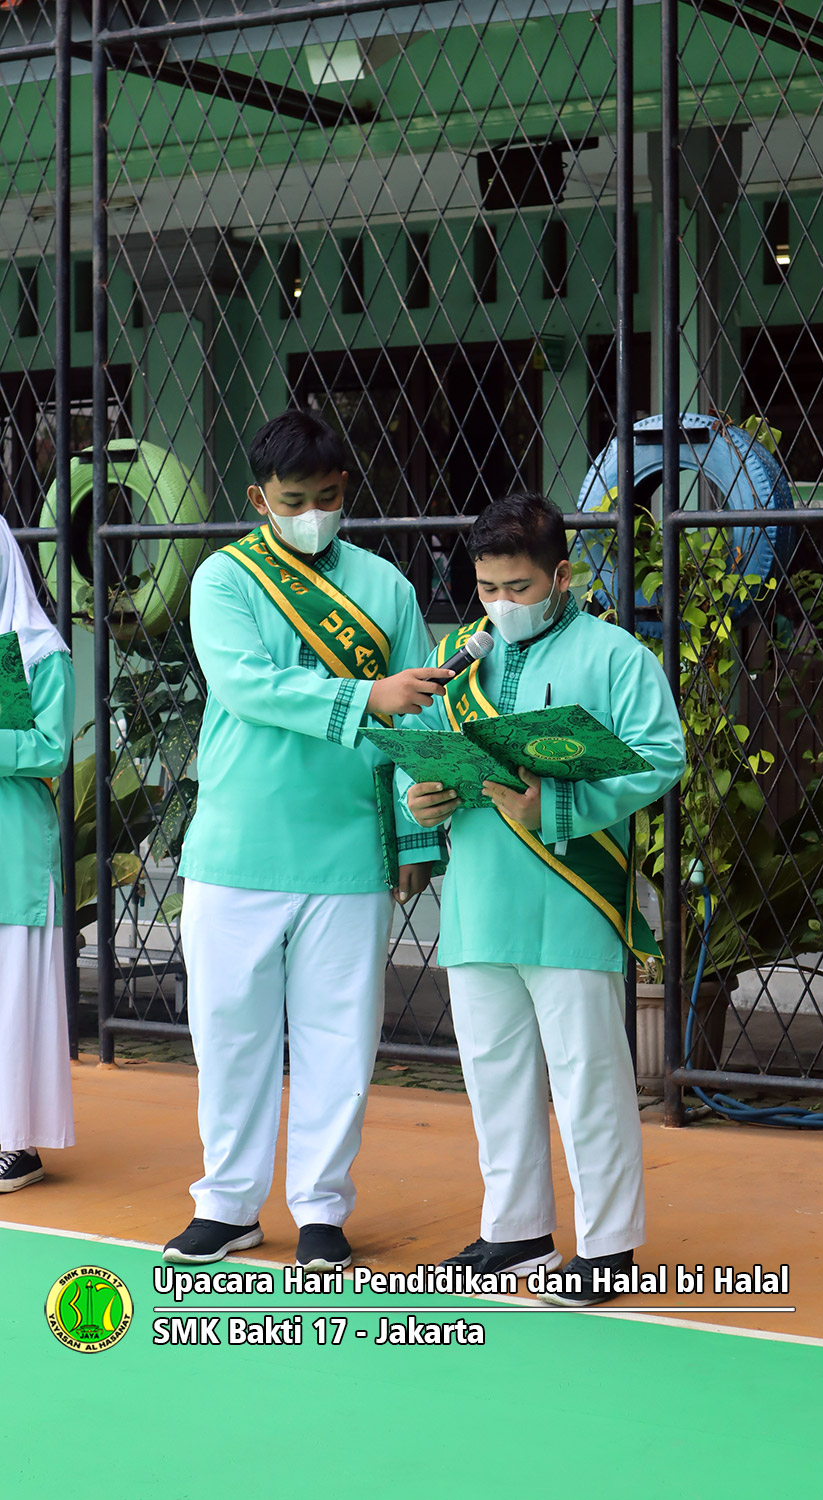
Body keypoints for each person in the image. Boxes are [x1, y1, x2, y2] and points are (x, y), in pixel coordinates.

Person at [164, 409, 451, 1268]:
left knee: (338, 1035)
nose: (314, 513)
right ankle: (227, 1205)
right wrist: (364, 697)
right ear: (259, 498)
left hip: (345, 846)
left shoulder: (386, 587)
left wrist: (411, 839)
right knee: (228, 1031)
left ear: (345, 490)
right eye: (295, 499)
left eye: (327, 497)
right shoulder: (223, 580)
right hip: (238, 842)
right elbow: (249, 686)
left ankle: (321, 1208)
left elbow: (419, 721)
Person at [398, 491, 685, 1307]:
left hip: (571, 895)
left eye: (518, 588)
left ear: (561, 574)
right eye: (486, 588)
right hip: (480, 895)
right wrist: (420, 803)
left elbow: (660, 757)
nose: (500, 605)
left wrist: (556, 805)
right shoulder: (456, 655)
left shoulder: (615, 655)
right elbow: (418, 757)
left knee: (588, 1075)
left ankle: (606, 1246)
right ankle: (515, 1230)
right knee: (493, 1076)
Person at [0, 516, 75, 1191]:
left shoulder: (34, 650)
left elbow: (52, 747)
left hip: (12, 851)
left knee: (12, 993)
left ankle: (13, 1142)